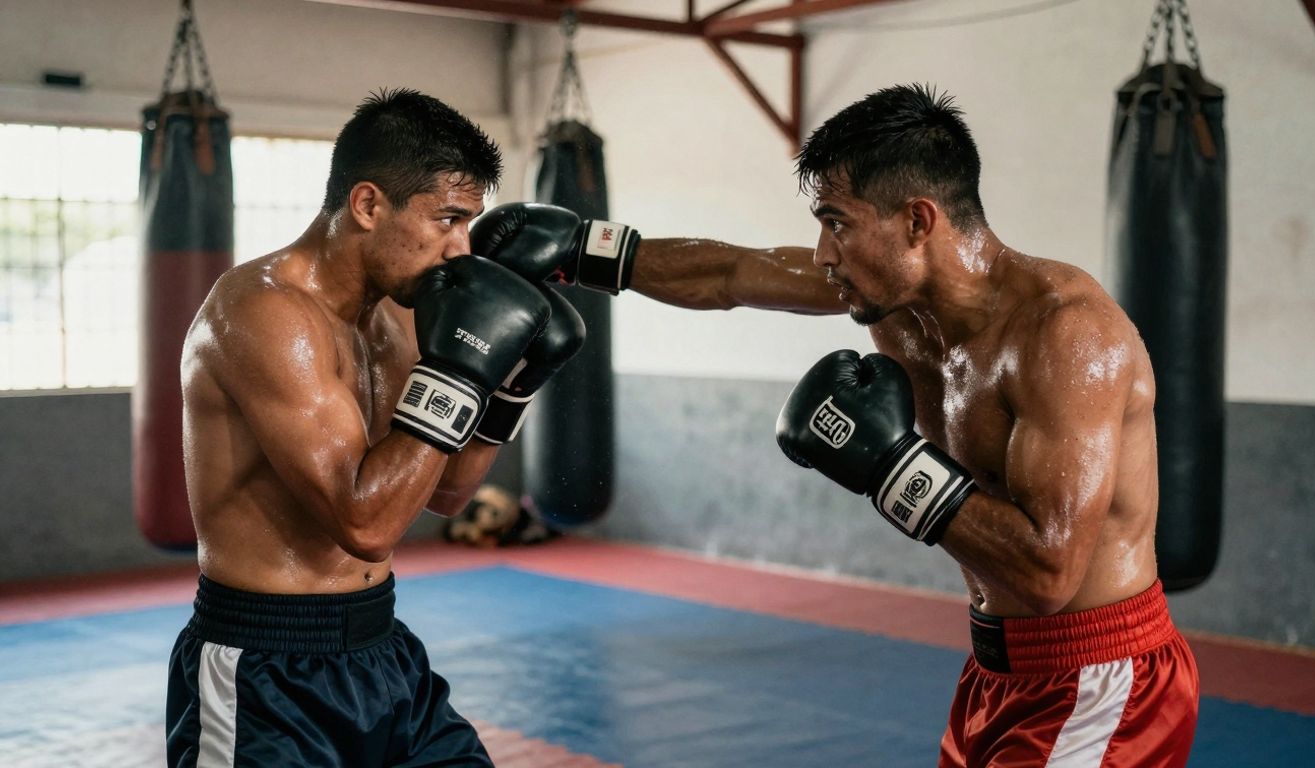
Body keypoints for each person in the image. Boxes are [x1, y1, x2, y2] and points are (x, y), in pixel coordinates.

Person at [465, 84, 1200, 766]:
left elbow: (1048, 574)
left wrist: (890, 466)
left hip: (1101, 679)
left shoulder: (1067, 337)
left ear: (918, 221)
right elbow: (731, 274)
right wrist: (584, 250)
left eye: (837, 225)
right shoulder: (899, 300)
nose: (823, 255)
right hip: (994, 672)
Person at [168, 88, 586, 767]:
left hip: (382, 653)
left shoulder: (395, 317)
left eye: (469, 224)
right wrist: (457, 373)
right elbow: (365, 525)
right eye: (447, 219)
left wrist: (511, 385)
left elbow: (446, 492)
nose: (459, 249)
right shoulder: (264, 314)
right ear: (368, 205)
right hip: (265, 673)